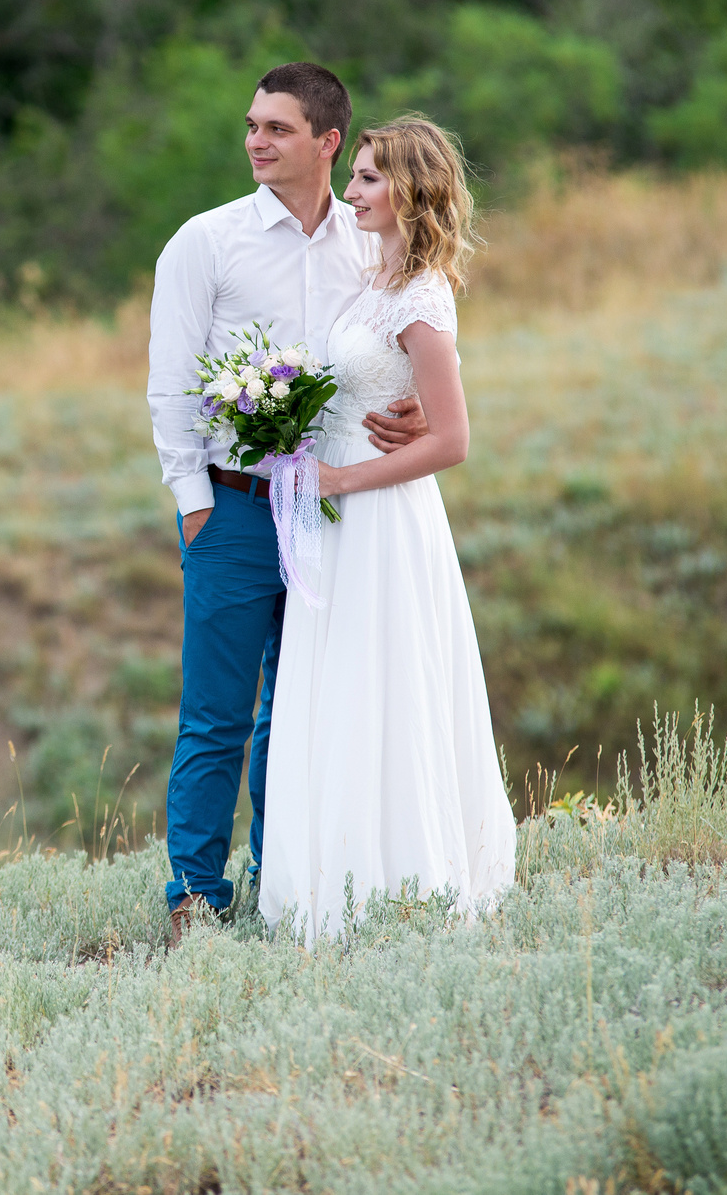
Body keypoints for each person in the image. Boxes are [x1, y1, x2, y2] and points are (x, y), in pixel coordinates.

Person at [145, 62, 425, 943]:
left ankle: (280, 882)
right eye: (253, 126)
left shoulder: (369, 241)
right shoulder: (207, 241)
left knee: (295, 708)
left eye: (277, 129)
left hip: (325, 512)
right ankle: (194, 895)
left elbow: (392, 344)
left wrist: (407, 401)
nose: (256, 142)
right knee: (217, 714)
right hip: (230, 509)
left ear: (328, 142)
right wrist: (194, 504)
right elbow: (169, 387)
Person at [256, 113, 516, 944]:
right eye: (358, 174)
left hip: (382, 518)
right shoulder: (374, 281)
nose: (355, 191)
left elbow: (453, 438)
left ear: (410, 189)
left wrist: (342, 477)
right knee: (336, 687)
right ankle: (337, 881)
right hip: (336, 515)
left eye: (369, 178)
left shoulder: (421, 294)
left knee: (387, 684)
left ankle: (409, 879)